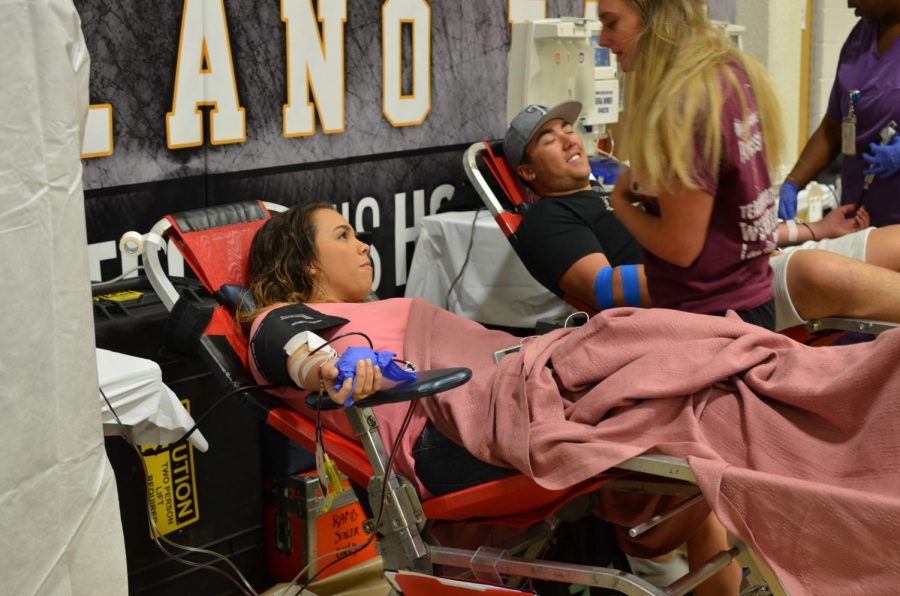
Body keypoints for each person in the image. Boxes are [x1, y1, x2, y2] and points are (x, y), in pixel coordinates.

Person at [241, 201, 900, 596]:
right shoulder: (285, 318)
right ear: (301, 269)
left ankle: (861, 420)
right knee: (674, 359)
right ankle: (864, 420)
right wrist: (335, 367)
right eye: (341, 236)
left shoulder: (379, 310)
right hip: (472, 429)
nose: (362, 243)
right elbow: (291, 349)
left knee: (713, 394)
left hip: (521, 386)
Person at [508, 101, 900, 333]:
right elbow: (603, 288)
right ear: (527, 172)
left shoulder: (615, 194)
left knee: (893, 242)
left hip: (749, 267)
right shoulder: (547, 220)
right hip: (714, 299)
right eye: (549, 140)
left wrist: (813, 228)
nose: (569, 140)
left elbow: (728, 235)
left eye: (568, 130)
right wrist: (719, 268)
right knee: (817, 271)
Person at [591, 0, 786, 329]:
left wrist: (621, 203)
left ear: (655, 17)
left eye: (611, 24)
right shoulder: (730, 72)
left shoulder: (683, 102)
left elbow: (680, 248)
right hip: (750, 304)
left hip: (710, 318)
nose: (602, 40)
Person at [780, 0, 900, 226]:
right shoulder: (861, 36)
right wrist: (793, 182)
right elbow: (833, 128)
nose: (849, 3)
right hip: (856, 217)